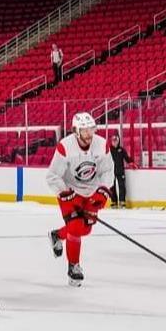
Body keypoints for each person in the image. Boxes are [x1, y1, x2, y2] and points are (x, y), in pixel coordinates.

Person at [44, 112, 113, 286]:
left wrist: (102, 191)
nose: (89, 134)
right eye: (85, 130)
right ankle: (73, 267)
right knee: (75, 227)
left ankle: (57, 235)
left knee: (85, 230)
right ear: (76, 131)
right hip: (70, 191)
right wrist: (66, 194)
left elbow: (107, 171)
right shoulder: (65, 147)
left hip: (91, 192)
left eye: (92, 129)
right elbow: (52, 176)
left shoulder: (102, 144)